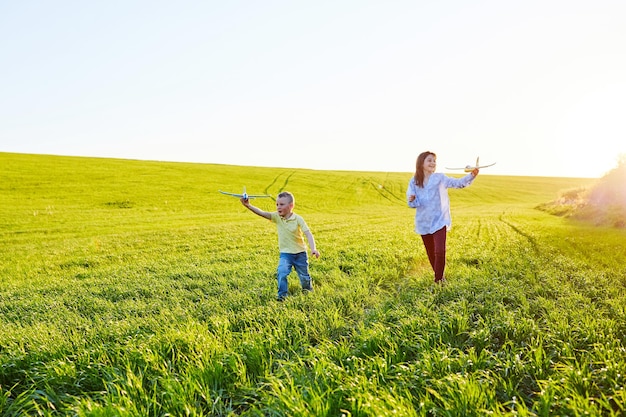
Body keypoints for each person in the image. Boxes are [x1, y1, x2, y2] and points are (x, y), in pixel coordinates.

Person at [406, 151, 479, 284]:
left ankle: (438, 280)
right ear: (421, 163)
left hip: (439, 220)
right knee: (431, 252)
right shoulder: (414, 181)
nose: (433, 163)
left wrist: (471, 175)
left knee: (440, 250)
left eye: (434, 161)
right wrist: (412, 199)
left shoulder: (440, 178)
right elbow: (411, 201)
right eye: (429, 160)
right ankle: (439, 276)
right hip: (424, 222)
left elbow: (457, 183)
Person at [241, 191, 320, 301]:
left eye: (282, 204)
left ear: (291, 206)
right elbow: (262, 213)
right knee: (282, 273)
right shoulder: (277, 217)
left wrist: (313, 249)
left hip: (300, 253)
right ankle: (282, 297)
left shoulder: (298, 219)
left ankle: (308, 292)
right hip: (286, 254)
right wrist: (248, 205)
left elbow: (308, 233)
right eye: (277, 204)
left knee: (304, 277)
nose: (278, 207)